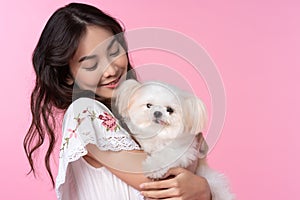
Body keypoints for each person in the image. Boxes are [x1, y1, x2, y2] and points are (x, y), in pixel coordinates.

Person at [23, 2, 217, 200]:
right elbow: (159, 183)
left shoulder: (133, 113)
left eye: (114, 52)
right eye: (91, 64)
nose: (111, 71)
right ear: (67, 75)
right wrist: (203, 189)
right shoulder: (85, 111)